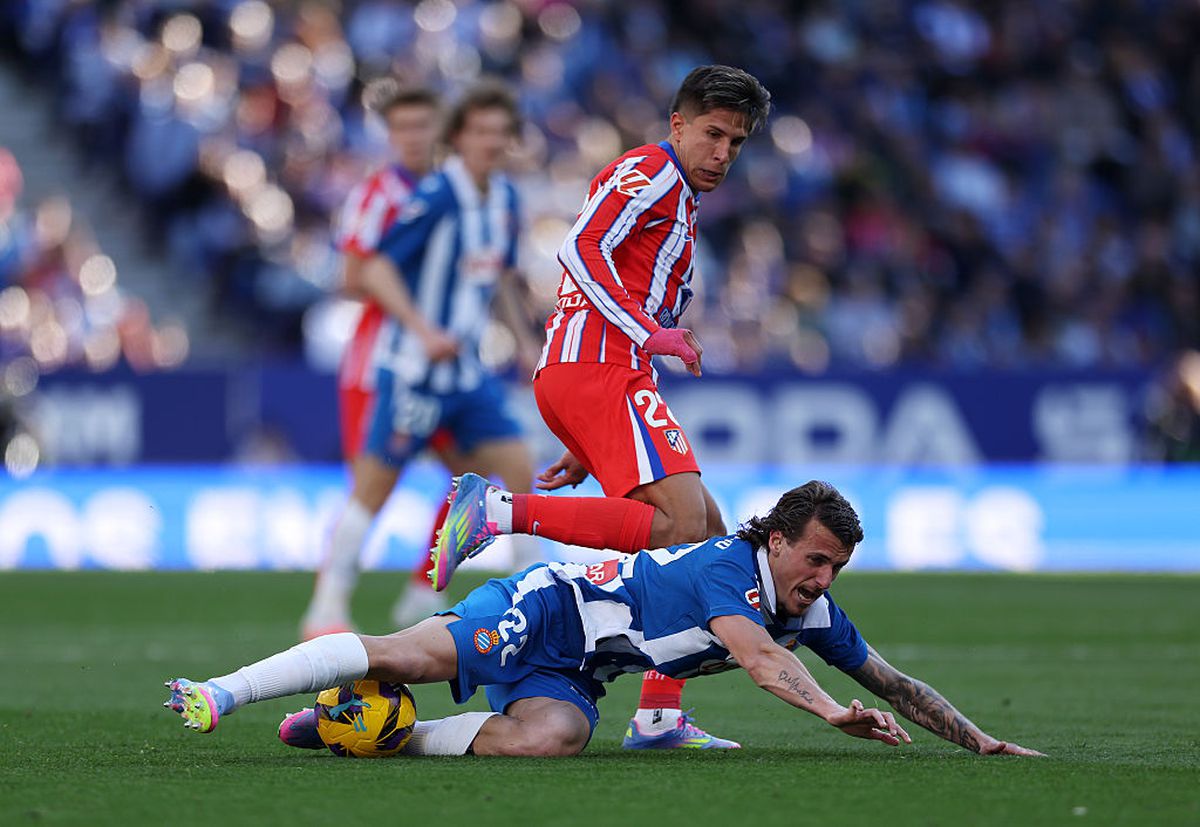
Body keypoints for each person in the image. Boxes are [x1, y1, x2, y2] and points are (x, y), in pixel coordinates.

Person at [164, 480, 1044, 759]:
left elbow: (892, 681)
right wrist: (827, 713)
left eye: (834, 568)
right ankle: (225, 689)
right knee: (409, 654)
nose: (821, 579)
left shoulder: (808, 609)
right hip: (547, 606)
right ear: (775, 542)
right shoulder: (730, 573)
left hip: (582, 668)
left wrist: (980, 740)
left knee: (551, 738)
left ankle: (368, 730)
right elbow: (758, 659)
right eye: (812, 558)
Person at [428, 65, 771, 748]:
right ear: (678, 124)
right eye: (712, 134)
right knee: (680, 527)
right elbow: (578, 247)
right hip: (600, 366)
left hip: (598, 373)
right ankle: (495, 511)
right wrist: (648, 333)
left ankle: (659, 714)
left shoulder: (679, 195)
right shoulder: (652, 170)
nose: (722, 153)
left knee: (705, 536)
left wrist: (585, 441)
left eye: (735, 142)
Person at [301, 80, 539, 639]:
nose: (491, 142)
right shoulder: (434, 197)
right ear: (459, 137)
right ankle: (324, 608)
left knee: (517, 474)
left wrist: (525, 338)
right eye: (480, 131)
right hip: (412, 372)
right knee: (374, 488)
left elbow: (499, 273)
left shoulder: (504, 198)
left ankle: (532, 604)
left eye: (501, 132)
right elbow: (373, 267)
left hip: (467, 374)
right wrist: (422, 328)